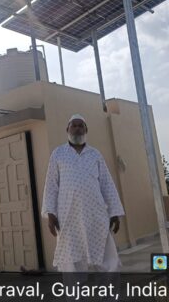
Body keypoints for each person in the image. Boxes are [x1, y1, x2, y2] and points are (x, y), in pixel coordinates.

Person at [41, 114, 125, 272]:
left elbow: (106, 183)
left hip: (95, 214)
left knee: (107, 258)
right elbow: (51, 185)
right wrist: (51, 214)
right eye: (74, 125)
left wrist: (114, 212)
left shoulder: (95, 154)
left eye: (81, 126)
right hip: (68, 216)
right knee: (72, 261)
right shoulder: (58, 154)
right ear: (67, 129)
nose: (77, 129)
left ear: (86, 130)